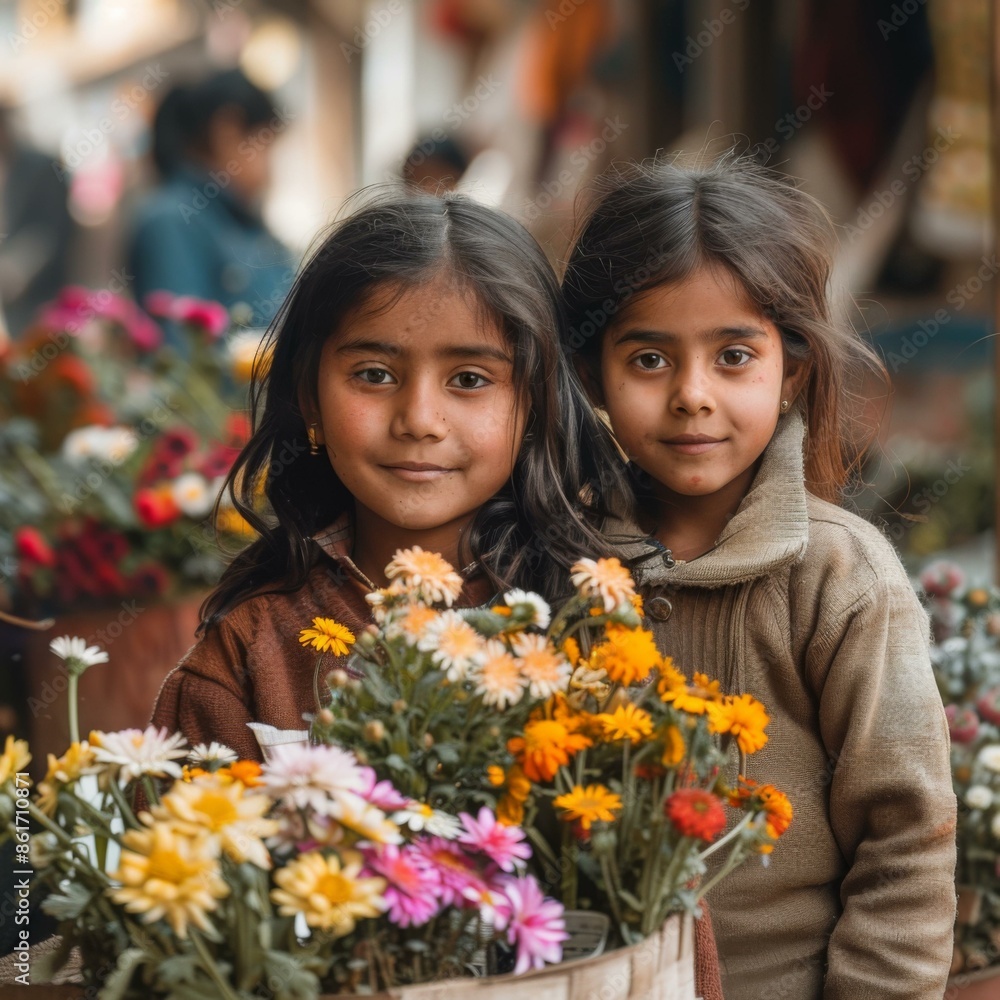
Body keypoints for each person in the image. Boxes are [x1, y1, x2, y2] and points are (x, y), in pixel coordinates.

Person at [560, 153, 957, 1000]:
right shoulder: (554, 563)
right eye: (649, 360)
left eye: (734, 355)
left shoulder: (842, 579)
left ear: (795, 371)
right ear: (593, 374)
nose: (692, 395)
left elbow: (906, 845)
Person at [150, 190, 626, 763]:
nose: (420, 420)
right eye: (374, 374)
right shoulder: (247, 654)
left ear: (535, 403)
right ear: (310, 397)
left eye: (470, 379)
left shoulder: (598, 618)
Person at [127, 69, 294, 330]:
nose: (271, 173)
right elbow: (180, 358)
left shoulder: (244, 222)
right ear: (227, 131)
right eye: (266, 146)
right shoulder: (173, 221)